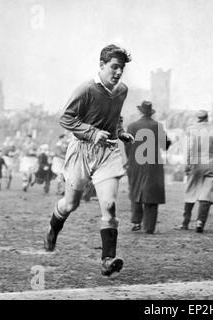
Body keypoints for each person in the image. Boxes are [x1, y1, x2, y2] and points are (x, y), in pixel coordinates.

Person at [43, 44, 134, 277]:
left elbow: (116, 115)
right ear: (102, 65)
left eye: (121, 69)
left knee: (110, 205)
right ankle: (53, 229)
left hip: (108, 152)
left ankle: (107, 260)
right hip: (81, 150)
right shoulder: (85, 90)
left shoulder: (122, 90)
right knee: (70, 204)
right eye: (114, 67)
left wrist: (120, 131)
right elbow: (65, 118)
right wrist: (93, 133)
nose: (118, 72)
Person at [125, 101, 171, 234]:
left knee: (135, 190)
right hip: (153, 164)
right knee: (152, 193)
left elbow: (126, 146)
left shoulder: (132, 126)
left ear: (140, 112)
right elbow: (165, 145)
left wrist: (129, 160)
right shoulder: (158, 126)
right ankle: (149, 226)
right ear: (151, 112)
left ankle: (136, 221)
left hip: (135, 163)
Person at [180, 110, 213, 233]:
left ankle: (185, 222)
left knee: (191, 191)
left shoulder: (191, 129)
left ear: (197, 118)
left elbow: (189, 148)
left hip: (195, 163)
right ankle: (200, 221)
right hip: (211, 164)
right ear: (207, 118)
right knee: (207, 193)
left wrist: (187, 164)